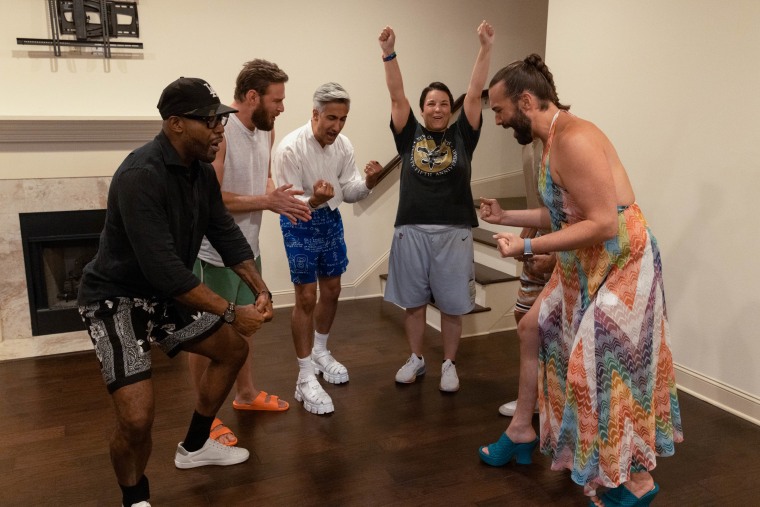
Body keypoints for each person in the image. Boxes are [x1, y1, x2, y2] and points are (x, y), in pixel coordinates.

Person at [477, 55, 683, 506]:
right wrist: (506, 215)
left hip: (622, 259)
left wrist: (529, 247)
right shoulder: (550, 140)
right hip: (583, 260)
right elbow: (563, 213)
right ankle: (522, 429)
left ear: (525, 100)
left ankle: (637, 481)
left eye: (498, 109)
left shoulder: (574, 139)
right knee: (533, 326)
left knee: (599, 361)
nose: (496, 119)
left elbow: (605, 223)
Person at [77, 77, 274, 507]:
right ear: (175, 124)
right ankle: (136, 499)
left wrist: (260, 288)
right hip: (116, 299)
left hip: (164, 295)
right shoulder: (140, 175)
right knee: (136, 418)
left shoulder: (200, 173)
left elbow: (225, 235)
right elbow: (165, 270)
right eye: (210, 121)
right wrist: (229, 312)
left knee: (232, 350)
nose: (221, 129)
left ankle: (196, 445)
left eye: (220, 119)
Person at [188, 60, 311, 445]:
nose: (282, 107)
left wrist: (282, 198)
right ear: (253, 96)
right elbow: (213, 200)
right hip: (214, 253)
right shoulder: (221, 136)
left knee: (248, 323)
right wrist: (266, 199)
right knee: (207, 336)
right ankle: (205, 419)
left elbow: (263, 181)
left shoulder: (264, 132)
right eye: (277, 100)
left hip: (247, 249)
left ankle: (244, 394)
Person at [377, 21, 493, 392]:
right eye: (432, 103)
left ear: (450, 108)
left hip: (454, 231)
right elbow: (397, 97)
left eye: (444, 103)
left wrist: (485, 47)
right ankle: (416, 358)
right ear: (423, 108)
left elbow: (474, 93)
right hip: (411, 228)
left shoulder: (463, 135)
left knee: (452, 304)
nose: (439, 108)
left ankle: (448, 363)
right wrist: (389, 53)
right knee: (412, 303)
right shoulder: (409, 134)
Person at [272, 82, 382, 415]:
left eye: (343, 118)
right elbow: (286, 200)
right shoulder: (290, 147)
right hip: (299, 221)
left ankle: (320, 351)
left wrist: (369, 184)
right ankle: (305, 376)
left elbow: (348, 191)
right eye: (331, 117)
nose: (336, 126)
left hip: (330, 220)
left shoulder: (343, 145)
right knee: (305, 297)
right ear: (315, 114)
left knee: (332, 290)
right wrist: (313, 199)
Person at [498, 141, 557, 417]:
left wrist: (555, 254)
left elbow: (571, 214)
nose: (497, 118)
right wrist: (526, 238)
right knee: (523, 318)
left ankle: (553, 401)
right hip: (537, 243)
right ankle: (531, 399)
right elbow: (539, 206)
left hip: (562, 248)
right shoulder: (528, 146)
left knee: (549, 330)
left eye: (500, 110)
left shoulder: (562, 147)